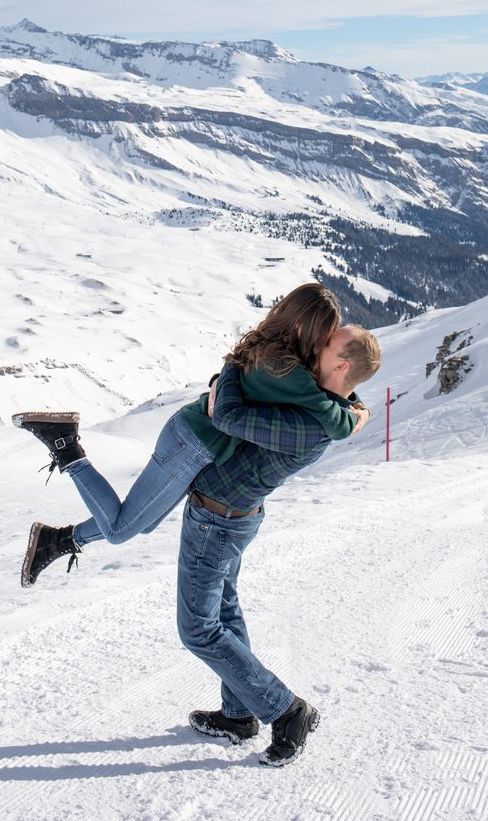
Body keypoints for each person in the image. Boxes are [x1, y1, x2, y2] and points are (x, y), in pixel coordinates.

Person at [14, 284, 369, 586]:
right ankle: (65, 446)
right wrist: (358, 413)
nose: (323, 345)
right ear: (308, 327)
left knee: (143, 524)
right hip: (193, 445)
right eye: (324, 336)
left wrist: (353, 400)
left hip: (192, 437)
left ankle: (57, 539)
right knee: (121, 530)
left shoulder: (274, 350)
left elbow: (322, 396)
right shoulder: (287, 370)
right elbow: (335, 421)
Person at [179, 323, 381, 767]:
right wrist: (358, 409)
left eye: (328, 342)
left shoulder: (312, 423)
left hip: (220, 518)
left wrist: (231, 365)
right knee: (223, 613)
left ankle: (286, 710)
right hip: (227, 514)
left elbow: (228, 416)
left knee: (198, 629)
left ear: (341, 364)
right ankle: (237, 715)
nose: (318, 341)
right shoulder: (331, 403)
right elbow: (348, 403)